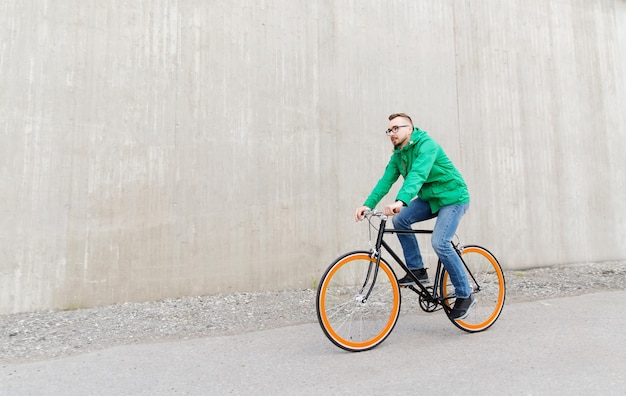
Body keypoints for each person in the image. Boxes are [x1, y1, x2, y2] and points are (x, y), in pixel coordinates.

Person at [354, 113, 475, 320]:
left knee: (440, 242)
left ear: (409, 129)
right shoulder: (398, 155)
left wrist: (401, 201)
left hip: (453, 197)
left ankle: (465, 294)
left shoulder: (427, 145)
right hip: (430, 198)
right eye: (389, 130)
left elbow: (418, 174)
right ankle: (417, 270)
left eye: (396, 128)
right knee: (400, 220)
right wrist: (367, 204)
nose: (392, 133)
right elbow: (385, 181)